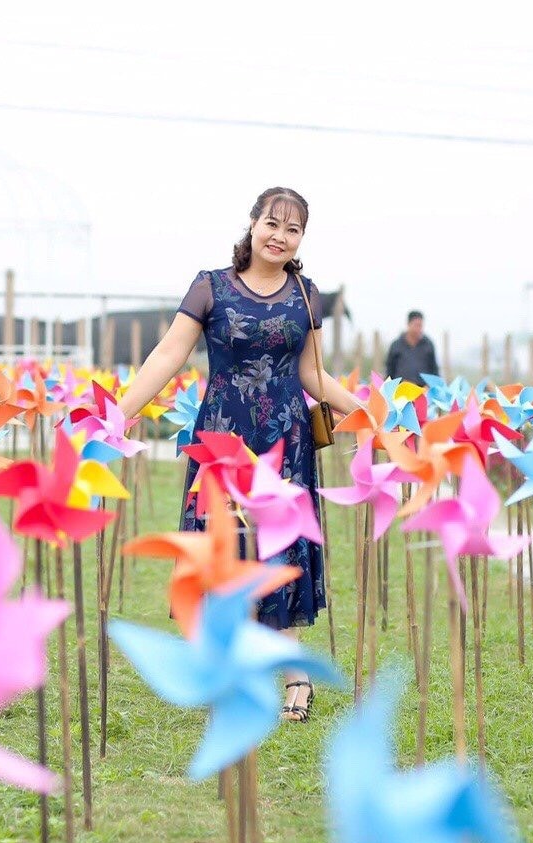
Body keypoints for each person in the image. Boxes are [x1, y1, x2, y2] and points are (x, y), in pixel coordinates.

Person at [115, 187, 370, 722]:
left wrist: (369, 411)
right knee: (223, 545)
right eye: (272, 223)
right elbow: (169, 353)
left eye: (293, 229)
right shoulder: (209, 287)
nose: (280, 236)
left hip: (287, 436)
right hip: (224, 435)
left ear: (302, 239)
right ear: (253, 224)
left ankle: (293, 671)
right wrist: (120, 411)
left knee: (282, 549)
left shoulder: (306, 293)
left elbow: (311, 373)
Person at [385, 310, 440, 386]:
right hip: (401, 391)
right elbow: (389, 370)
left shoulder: (428, 345)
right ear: (408, 324)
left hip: (423, 391)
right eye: (416, 325)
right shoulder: (396, 345)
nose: (419, 329)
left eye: (420, 325)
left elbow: (434, 370)